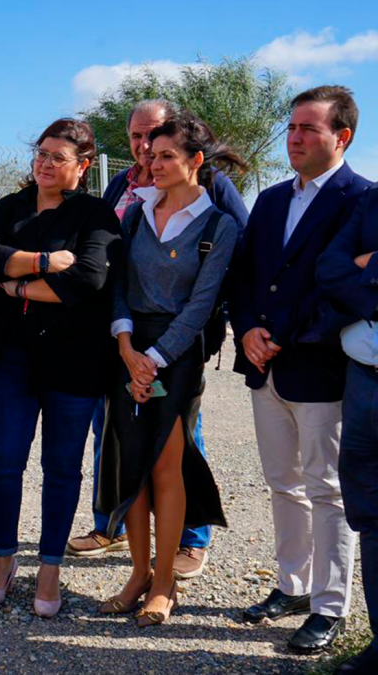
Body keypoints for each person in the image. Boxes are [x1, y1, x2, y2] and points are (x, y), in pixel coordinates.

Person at [68, 99, 250, 583]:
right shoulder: (130, 206)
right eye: (143, 144)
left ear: (194, 160)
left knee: (174, 458)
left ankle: (175, 567)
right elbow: (118, 280)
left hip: (177, 351)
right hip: (126, 348)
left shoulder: (218, 216)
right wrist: (127, 347)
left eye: (164, 149)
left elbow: (206, 296)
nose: (149, 154)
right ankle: (128, 558)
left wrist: (152, 358)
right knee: (124, 454)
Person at [231, 85, 370, 654]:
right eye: (291, 127)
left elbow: (347, 291)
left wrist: (283, 337)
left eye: (308, 128)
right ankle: (291, 585)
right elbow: (242, 277)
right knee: (282, 483)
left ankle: (329, 605)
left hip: (319, 369)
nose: (294, 137)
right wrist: (246, 332)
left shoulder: (362, 200)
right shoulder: (269, 201)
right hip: (265, 369)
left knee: (327, 488)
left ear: (342, 136)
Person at [0, 119, 120, 617]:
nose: (46, 163)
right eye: (41, 153)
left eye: (59, 157)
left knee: (61, 468)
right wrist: (40, 261)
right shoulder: (9, 207)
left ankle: (50, 567)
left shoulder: (97, 214)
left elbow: (87, 280)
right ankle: (2, 561)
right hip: (13, 357)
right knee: (4, 463)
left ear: (82, 165)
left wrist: (13, 285)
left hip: (75, 362)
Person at [317, 186, 378, 674]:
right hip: (364, 376)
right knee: (370, 511)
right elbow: (330, 268)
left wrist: (370, 265)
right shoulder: (372, 201)